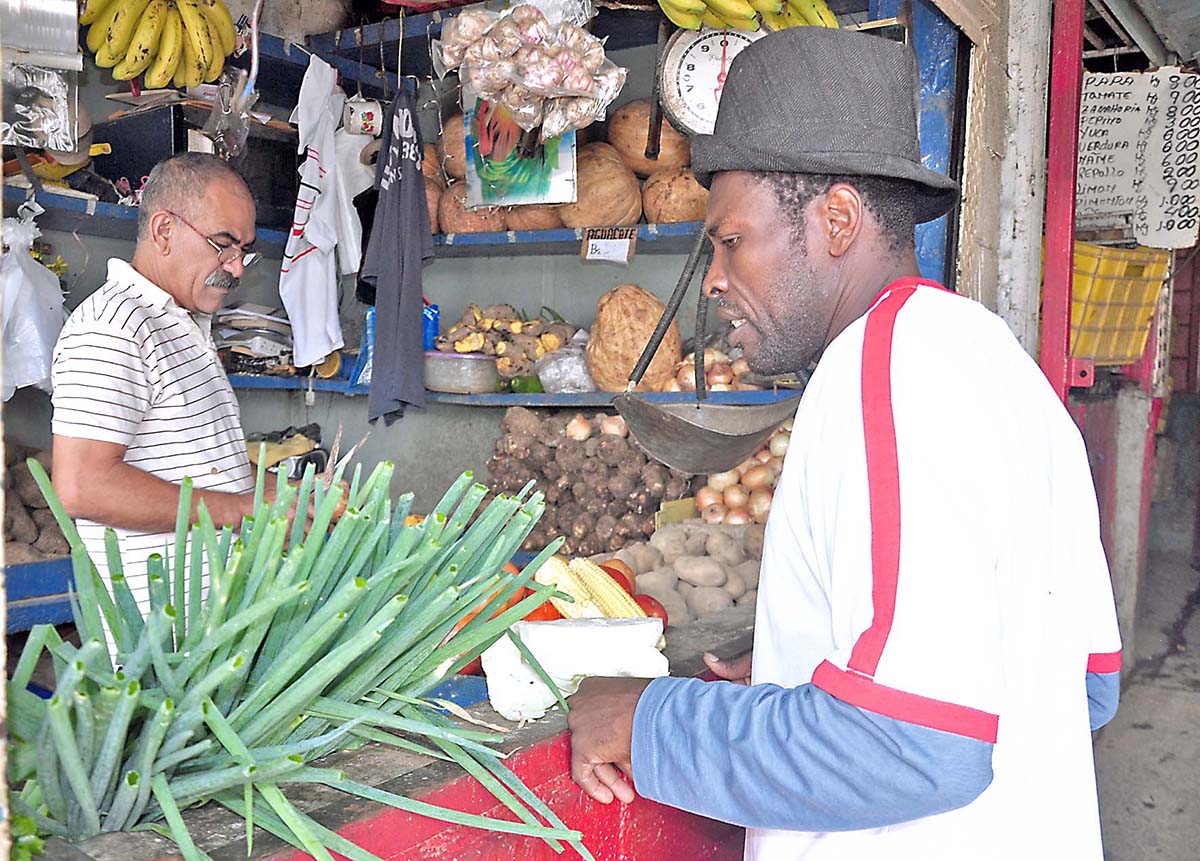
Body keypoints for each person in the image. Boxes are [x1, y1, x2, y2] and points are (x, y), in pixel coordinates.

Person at [566, 28, 1122, 859]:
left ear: (834, 220)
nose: (714, 278)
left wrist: (646, 721)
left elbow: (911, 747)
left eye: (730, 240)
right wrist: (814, 665)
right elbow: (1083, 684)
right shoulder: (1001, 364)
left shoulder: (884, 371)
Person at [51, 152, 262, 618]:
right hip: (161, 650)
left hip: (212, 630)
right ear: (165, 231)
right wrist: (244, 510)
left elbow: (200, 467)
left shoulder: (180, 325)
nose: (237, 267)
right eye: (223, 244)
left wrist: (278, 492)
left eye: (244, 250)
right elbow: (83, 485)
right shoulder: (112, 327)